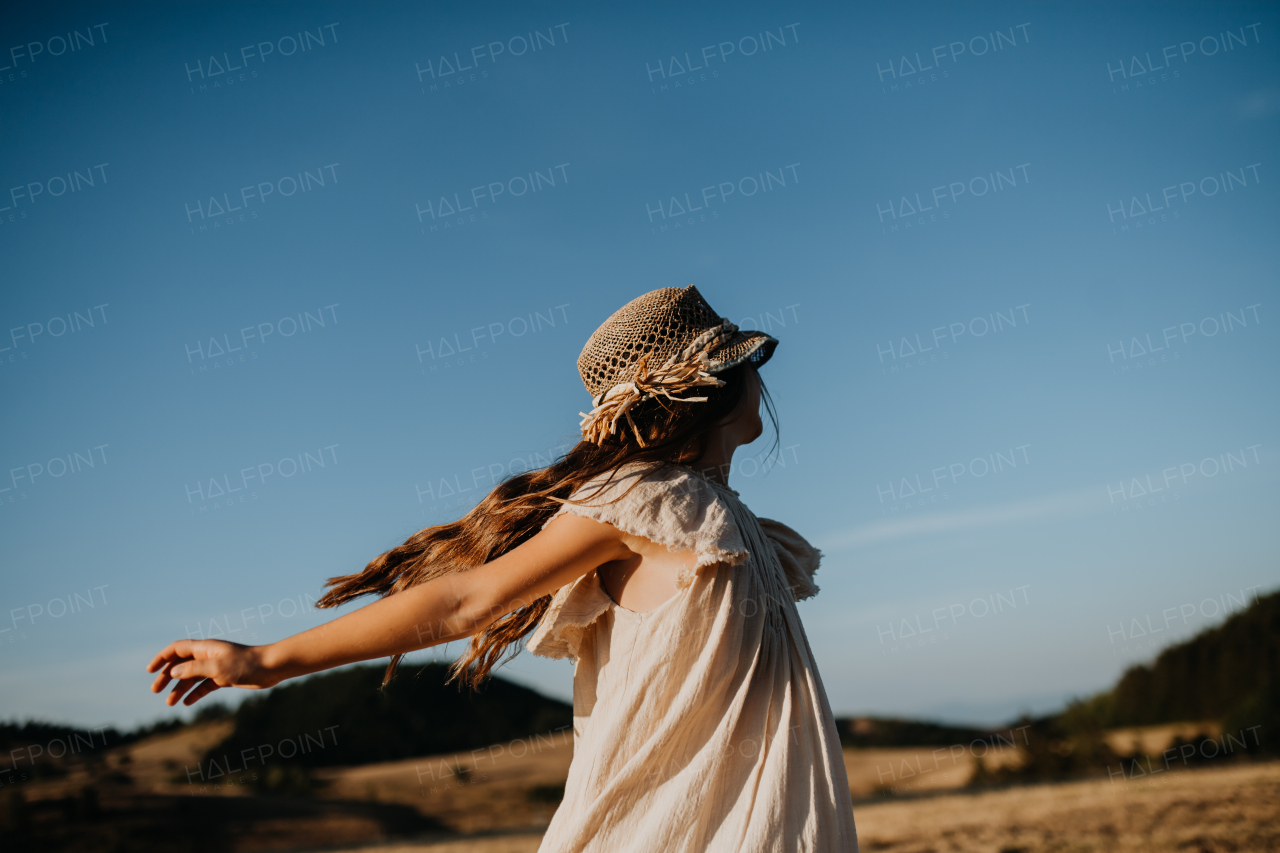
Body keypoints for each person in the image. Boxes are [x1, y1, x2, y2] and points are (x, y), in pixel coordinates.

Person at [147, 285, 859, 852]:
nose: (759, 377)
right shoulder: (647, 499)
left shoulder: (729, 524)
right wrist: (267, 660)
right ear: (706, 387)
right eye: (743, 363)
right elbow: (468, 600)